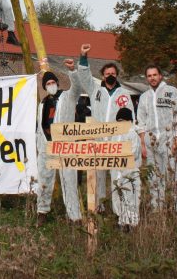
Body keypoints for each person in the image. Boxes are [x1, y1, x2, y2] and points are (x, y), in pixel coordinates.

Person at [71, 46, 136, 213]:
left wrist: (130, 141)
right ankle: (98, 209)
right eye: (107, 73)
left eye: (113, 73)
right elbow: (85, 77)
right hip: (98, 141)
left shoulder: (124, 94)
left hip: (117, 142)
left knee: (118, 177)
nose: (110, 76)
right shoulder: (95, 90)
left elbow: (131, 119)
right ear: (102, 75)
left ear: (117, 75)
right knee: (98, 177)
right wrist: (84, 56)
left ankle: (120, 210)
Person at [136, 65, 177, 214]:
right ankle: (157, 208)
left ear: (160, 76)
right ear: (146, 78)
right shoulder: (144, 97)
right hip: (151, 141)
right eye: (149, 76)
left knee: (175, 174)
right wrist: (143, 143)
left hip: (169, 140)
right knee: (154, 176)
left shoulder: (171, 92)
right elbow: (141, 121)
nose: (152, 78)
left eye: (155, 75)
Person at [35, 59, 82, 225]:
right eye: (48, 83)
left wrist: (72, 71)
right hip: (47, 146)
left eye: (53, 82)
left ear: (57, 82)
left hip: (65, 146)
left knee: (69, 181)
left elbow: (77, 88)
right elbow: (40, 127)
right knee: (44, 181)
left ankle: (74, 217)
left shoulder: (67, 97)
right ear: (45, 87)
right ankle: (42, 212)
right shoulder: (43, 104)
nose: (51, 85)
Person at [110, 107, 141, 229]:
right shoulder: (115, 135)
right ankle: (121, 220)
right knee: (117, 196)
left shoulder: (133, 134)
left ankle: (131, 223)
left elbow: (133, 153)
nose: (121, 123)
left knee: (131, 197)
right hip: (116, 172)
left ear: (129, 121)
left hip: (130, 172)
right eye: (119, 120)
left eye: (124, 120)